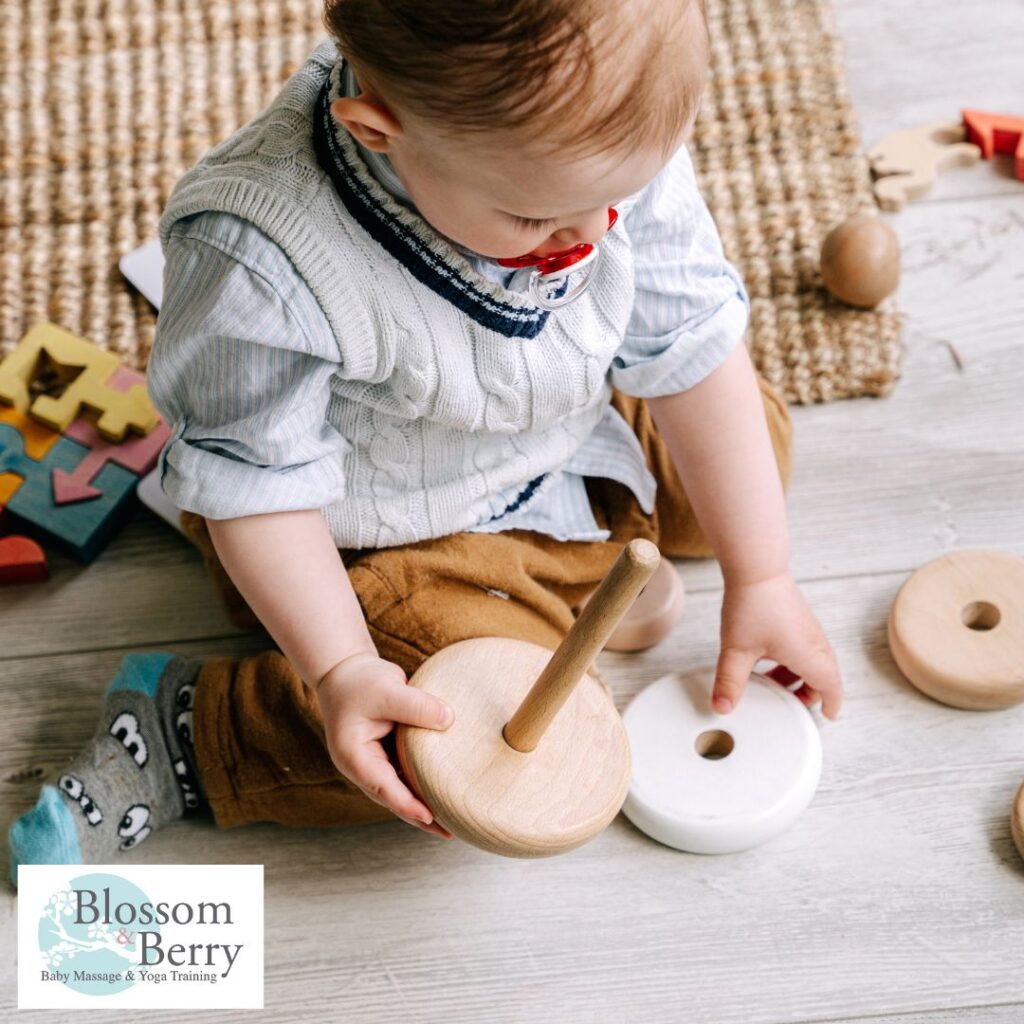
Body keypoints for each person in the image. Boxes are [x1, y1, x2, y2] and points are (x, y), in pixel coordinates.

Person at [8, 0, 843, 881]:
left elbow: (688, 341)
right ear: (377, 131)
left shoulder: (585, 158)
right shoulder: (259, 257)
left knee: (751, 454)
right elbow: (261, 491)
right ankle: (190, 731)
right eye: (539, 219)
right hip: (381, 533)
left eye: (616, 196)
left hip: (561, 427)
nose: (595, 232)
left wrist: (765, 575)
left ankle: (583, 557)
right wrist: (337, 671)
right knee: (467, 738)